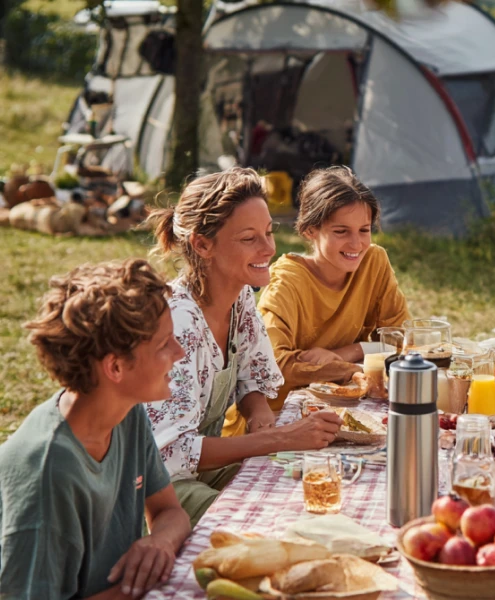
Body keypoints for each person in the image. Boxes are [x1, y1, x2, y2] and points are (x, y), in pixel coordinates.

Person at [146, 167, 342, 526]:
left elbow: (252, 378)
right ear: (202, 245)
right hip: (155, 492)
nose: (269, 248)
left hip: (200, 473)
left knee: (308, 492)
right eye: (249, 238)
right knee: (266, 527)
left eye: (268, 232)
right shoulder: (177, 322)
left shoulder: (239, 300)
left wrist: (259, 415)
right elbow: (173, 453)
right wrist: (280, 438)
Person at [0, 259, 192, 599]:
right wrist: (131, 590)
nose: (180, 352)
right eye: (165, 344)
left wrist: (159, 542)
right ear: (115, 367)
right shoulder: (48, 472)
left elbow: (170, 512)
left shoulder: (126, 412)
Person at [222, 166, 409, 436]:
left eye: (364, 230)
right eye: (341, 231)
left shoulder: (374, 262)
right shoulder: (286, 282)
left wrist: (351, 351)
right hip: (274, 420)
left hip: (342, 411)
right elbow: (274, 365)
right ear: (310, 230)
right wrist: (349, 369)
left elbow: (402, 340)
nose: (356, 244)